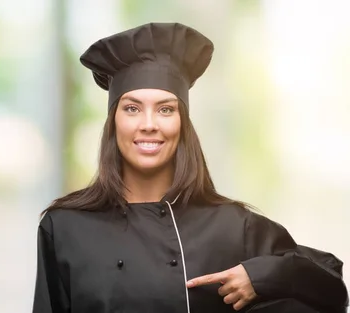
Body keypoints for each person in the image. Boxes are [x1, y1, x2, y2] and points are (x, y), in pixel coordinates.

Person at [32, 22, 348, 313]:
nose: (149, 124)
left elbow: (332, 289)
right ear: (113, 121)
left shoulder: (233, 227)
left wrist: (262, 276)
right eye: (132, 108)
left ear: (182, 123)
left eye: (165, 109)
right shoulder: (65, 228)